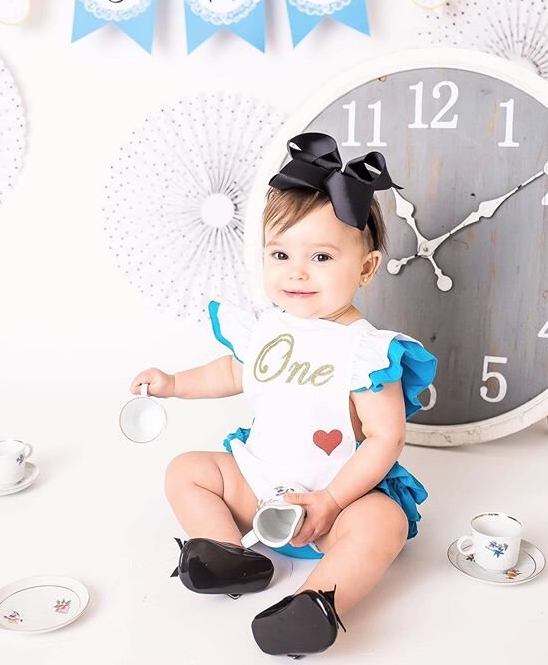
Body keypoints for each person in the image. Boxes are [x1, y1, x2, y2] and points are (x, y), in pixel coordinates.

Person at [130, 132, 437, 658]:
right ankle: (231, 555)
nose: (296, 271)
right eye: (280, 252)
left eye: (320, 255)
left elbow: (386, 437)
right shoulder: (267, 328)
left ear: (365, 268)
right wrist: (176, 384)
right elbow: (233, 371)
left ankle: (315, 603)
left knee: (381, 524)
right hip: (260, 483)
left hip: (336, 497)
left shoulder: (367, 352)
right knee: (187, 469)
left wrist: (334, 500)